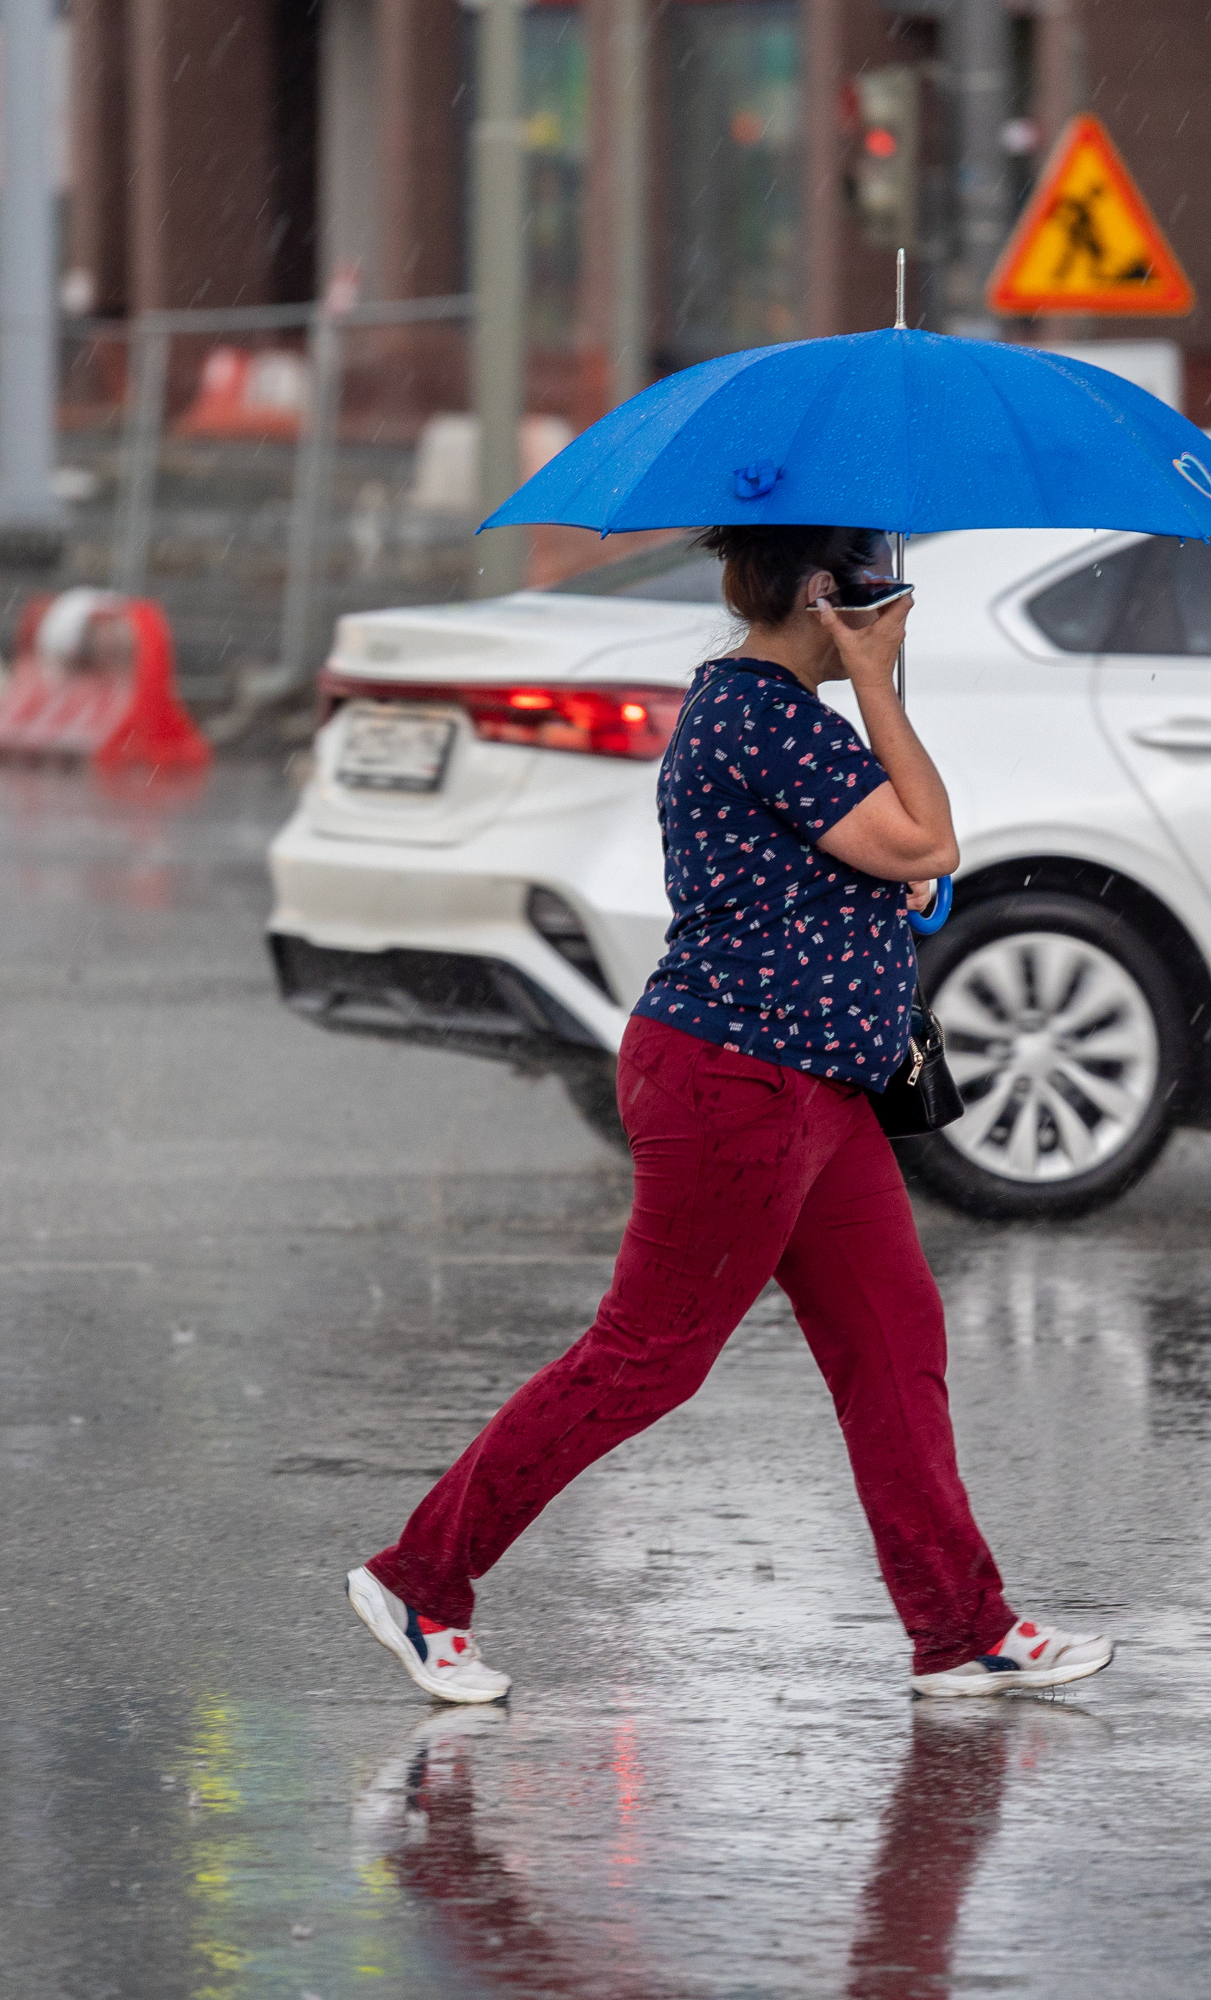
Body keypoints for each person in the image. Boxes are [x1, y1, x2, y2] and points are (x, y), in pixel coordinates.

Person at [345, 522, 1116, 1704]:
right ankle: (421, 1577)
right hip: (736, 1080)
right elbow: (931, 832)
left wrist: (892, 861)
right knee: (646, 1357)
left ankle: (960, 1629)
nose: (891, 608)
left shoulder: (772, 722)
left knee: (893, 1344)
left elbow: (894, 856)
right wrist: (874, 686)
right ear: (825, 596)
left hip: (814, 1084)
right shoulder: (764, 712)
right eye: (872, 592)